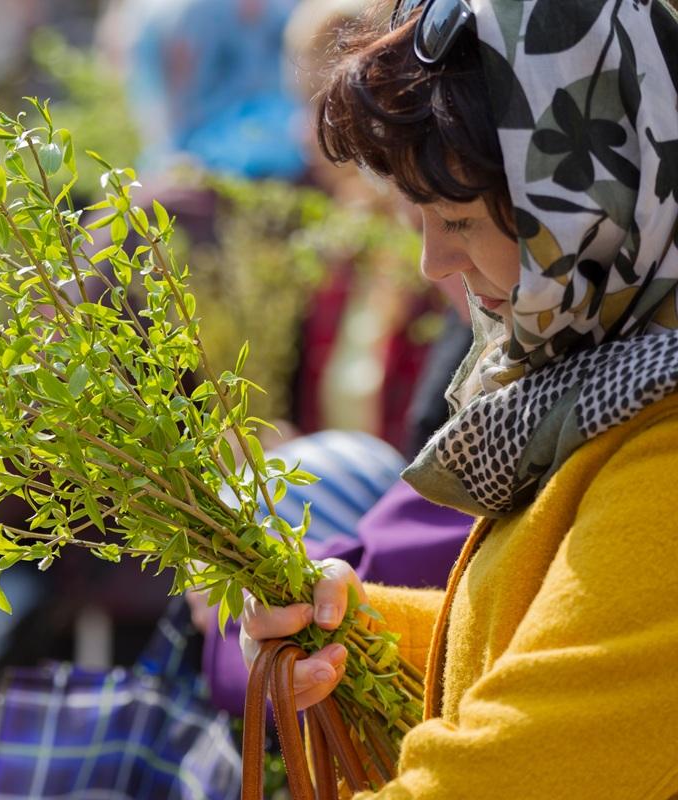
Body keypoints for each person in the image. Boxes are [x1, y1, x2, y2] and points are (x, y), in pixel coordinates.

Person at [239, 0, 678, 796]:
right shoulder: (604, 382)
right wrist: (359, 633)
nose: (432, 262)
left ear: (597, 212)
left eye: (459, 219)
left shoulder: (665, 457)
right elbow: (551, 671)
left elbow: (511, 770)